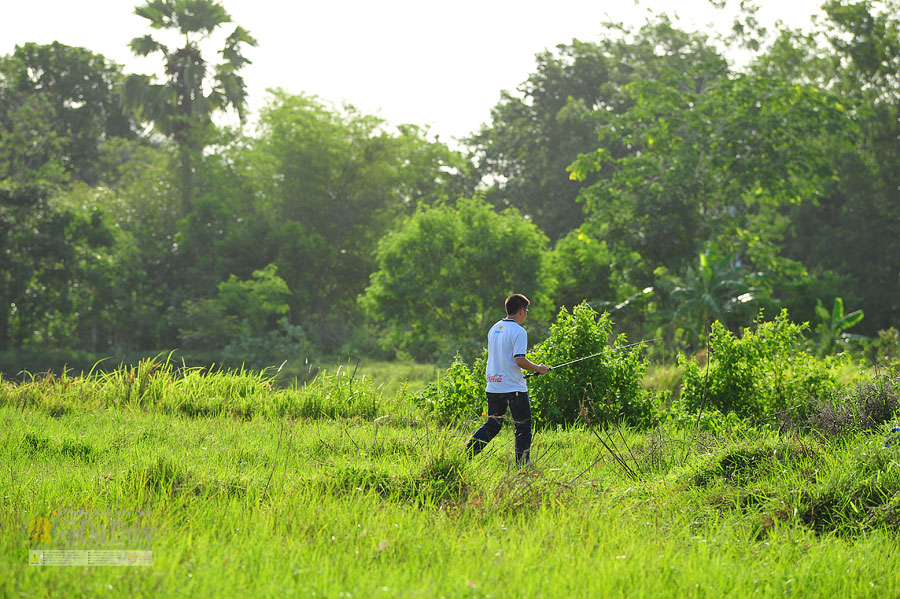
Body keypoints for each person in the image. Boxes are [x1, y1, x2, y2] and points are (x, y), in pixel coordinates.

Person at [465, 293, 549, 465]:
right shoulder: (519, 331)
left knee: (493, 425)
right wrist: (539, 368)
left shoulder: (494, 328)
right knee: (523, 426)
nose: (526, 314)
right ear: (520, 311)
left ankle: (466, 455)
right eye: (526, 311)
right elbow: (519, 360)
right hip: (514, 389)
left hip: (494, 386)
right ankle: (522, 467)